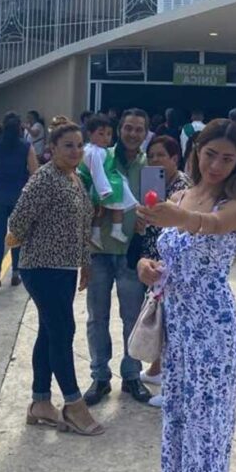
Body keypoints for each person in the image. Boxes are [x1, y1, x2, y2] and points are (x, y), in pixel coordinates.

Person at [137, 119, 236, 472]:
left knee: (207, 446)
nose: (218, 165)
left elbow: (208, 227)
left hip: (212, 338)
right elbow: (173, 254)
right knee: (185, 439)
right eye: (211, 154)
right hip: (179, 337)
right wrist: (150, 268)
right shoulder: (181, 194)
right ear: (197, 150)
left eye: (229, 158)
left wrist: (178, 218)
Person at [8, 122, 103, 437]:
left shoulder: (74, 178)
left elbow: (82, 225)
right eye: (68, 146)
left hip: (65, 269)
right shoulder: (44, 179)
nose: (75, 151)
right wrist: (19, 240)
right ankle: (73, 404)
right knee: (63, 331)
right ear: (52, 148)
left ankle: (40, 403)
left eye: (79, 145)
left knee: (50, 332)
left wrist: (84, 263)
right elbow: (17, 222)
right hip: (42, 268)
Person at [84, 108, 151, 407]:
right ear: (119, 129)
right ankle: (100, 376)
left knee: (132, 318)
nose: (133, 134)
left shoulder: (149, 163)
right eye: (128, 128)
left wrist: (144, 218)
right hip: (98, 251)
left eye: (139, 129)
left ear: (145, 133)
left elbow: (155, 204)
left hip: (130, 253)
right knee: (97, 317)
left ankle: (132, 375)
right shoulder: (101, 155)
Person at [132, 135, 190, 409]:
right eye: (151, 156)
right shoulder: (155, 185)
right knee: (164, 321)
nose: (155, 160)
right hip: (154, 262)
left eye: (161, 156)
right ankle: (156, 371)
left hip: (172, 267)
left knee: (172, 326)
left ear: (175, 159)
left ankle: (172, 387)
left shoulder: (182, 189)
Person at [0, 112, 38, 289]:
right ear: (19, 128)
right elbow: (34, 171)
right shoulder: (26, 146)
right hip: (18, 195)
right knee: (16, 236)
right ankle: (16, 274)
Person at [79, 114, 137, 246]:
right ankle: (116, 229)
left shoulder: (92, 149)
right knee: (117, 207)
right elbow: (97, 171)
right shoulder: (95, 152)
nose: (106, 138)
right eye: (101, 134)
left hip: (103, 183)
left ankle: (96, 234)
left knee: (100, 211)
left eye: (109, 134)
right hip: (103, 185)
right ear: (90, 134)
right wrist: (104, 190)